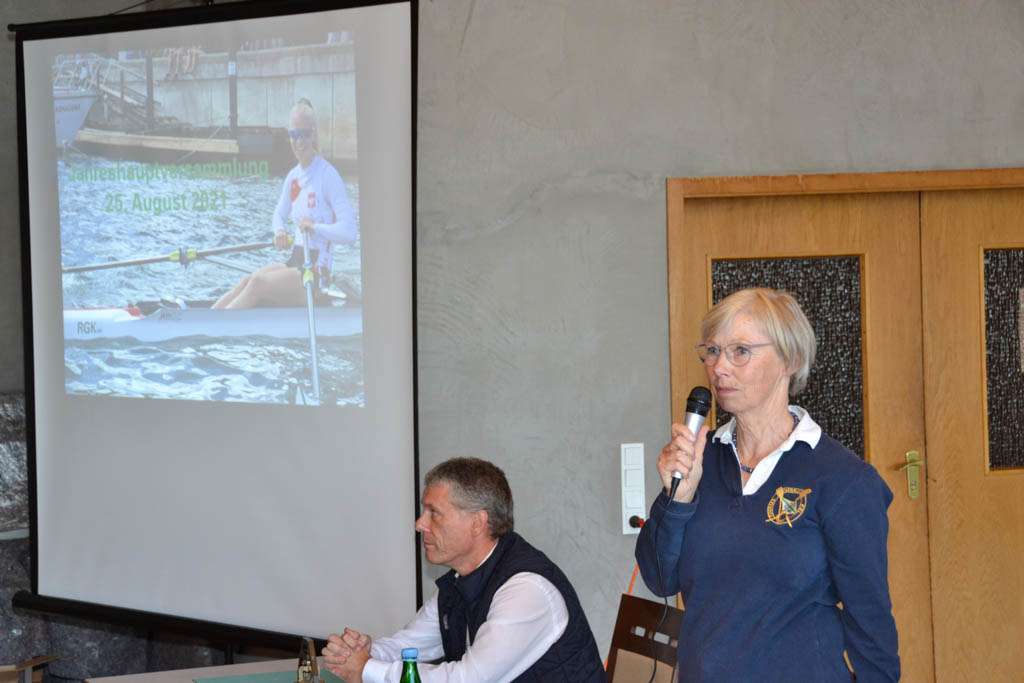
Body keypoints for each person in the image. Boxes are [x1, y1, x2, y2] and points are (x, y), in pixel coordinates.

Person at [635, 287, 900, 682]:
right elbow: (660, 580)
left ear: (789, 360)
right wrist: (680, 499)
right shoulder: (701, 462)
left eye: (740, 351)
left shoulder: (842, 479)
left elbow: (871, 623)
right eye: (711, 351)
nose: (719, 368)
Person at [323, 457, 606, 682]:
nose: (420, 524)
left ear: (477, 523)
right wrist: (361, 653)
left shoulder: (527, 590)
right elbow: (410, 647)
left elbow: (468, 678)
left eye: (434, 513)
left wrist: (367, 669)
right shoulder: (460, 580)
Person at [212, 98, 357, 308]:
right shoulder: (293, 177)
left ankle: (216, 328)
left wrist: (316, 227)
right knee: (247, 281)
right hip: (296, 261)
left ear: (313, 135)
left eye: (305, 134)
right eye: (294, 134)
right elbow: (279, 215)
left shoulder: (328, 175)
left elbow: (349, 232)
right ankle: (202, 320)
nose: (299, 141)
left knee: (258, 284)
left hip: (317, 271)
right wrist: (279, 231)